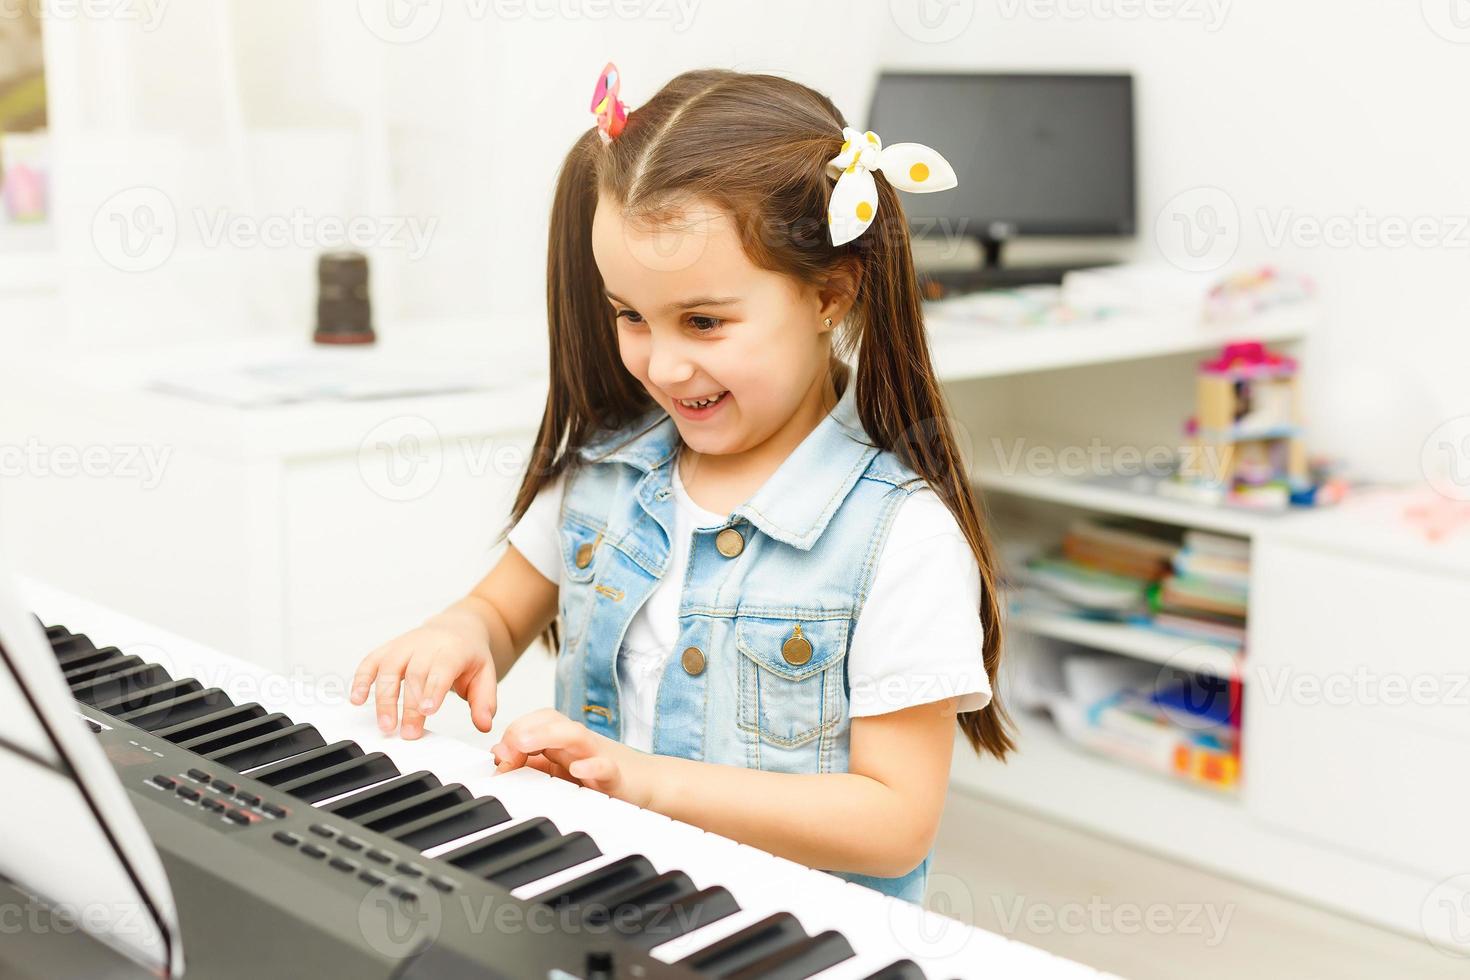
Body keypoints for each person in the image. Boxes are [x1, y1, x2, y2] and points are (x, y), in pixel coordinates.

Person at [350, 65, 1012, 904]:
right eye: (630, 315)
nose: (661, 364)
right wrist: (459, 636)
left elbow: (893, 824)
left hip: (785, 935)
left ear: (829, 295)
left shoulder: (901, 537)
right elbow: (497, 611)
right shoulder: (603, 473)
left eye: (704, 321)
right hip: (603, 906)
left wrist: (644, 781)